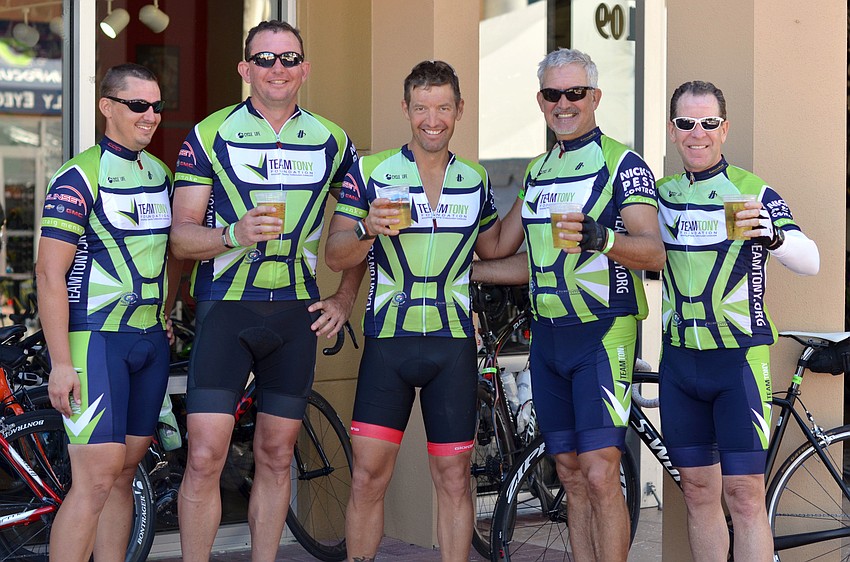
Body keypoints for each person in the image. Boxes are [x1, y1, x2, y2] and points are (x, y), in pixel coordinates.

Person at [169, 20, 362, 561]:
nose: (278, 68)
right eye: (265, 58)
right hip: (227, 310)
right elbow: (180, 236)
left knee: (277, 457)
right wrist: (233, 233)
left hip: (295, 315)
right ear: (245, 68)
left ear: (305, 69)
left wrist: (345, 298)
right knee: (205, 457)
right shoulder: (210, 133)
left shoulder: (334, 140)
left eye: (289, 58)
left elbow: (357, 233)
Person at [471, 48, 666, 561]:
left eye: (574, 93)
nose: (563, 103)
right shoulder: (537, 171)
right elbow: (506, 251)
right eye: (552, 94)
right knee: (570, 474)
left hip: (602, 331)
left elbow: (654, 252)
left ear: (594, 97)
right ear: (540, 101)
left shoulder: (622, 164)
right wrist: (463, 260)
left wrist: (602, 238)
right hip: (548, 338)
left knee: (600, 471)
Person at [325, 60, 522, 562]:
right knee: (368, 477)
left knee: (454, 479)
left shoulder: (474, 178)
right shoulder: (370, 172)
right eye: (421, 109)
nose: (432, 120)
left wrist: (531, 193)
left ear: (459, 110)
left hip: (451, 345)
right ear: (406, 109)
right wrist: (367, 228)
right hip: (388, 344)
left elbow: (494, 248)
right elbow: (336, 254)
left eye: (442, 108)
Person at [657, 80, 819, 561]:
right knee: (697, 493)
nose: (698, 133)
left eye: (709, 122)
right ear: (672, 130)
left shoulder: (751, 191)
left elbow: (811, 261)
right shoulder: (660, 197)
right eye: (686, 123)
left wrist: (773, 236)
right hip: (680, 363)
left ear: (724, 129)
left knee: (745, 497)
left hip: (739, 361)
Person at [36, 62, 179, 561]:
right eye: (138, 105)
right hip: (93, 341)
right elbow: (49, 273)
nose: (150, 115)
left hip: (148, 340)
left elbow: (172, 253)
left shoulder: (161, 174)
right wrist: (60, 362)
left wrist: (165, 310)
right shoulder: (79, 176)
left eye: (156, 105)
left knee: (124, 475)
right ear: (107, 107)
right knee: (95, 480)